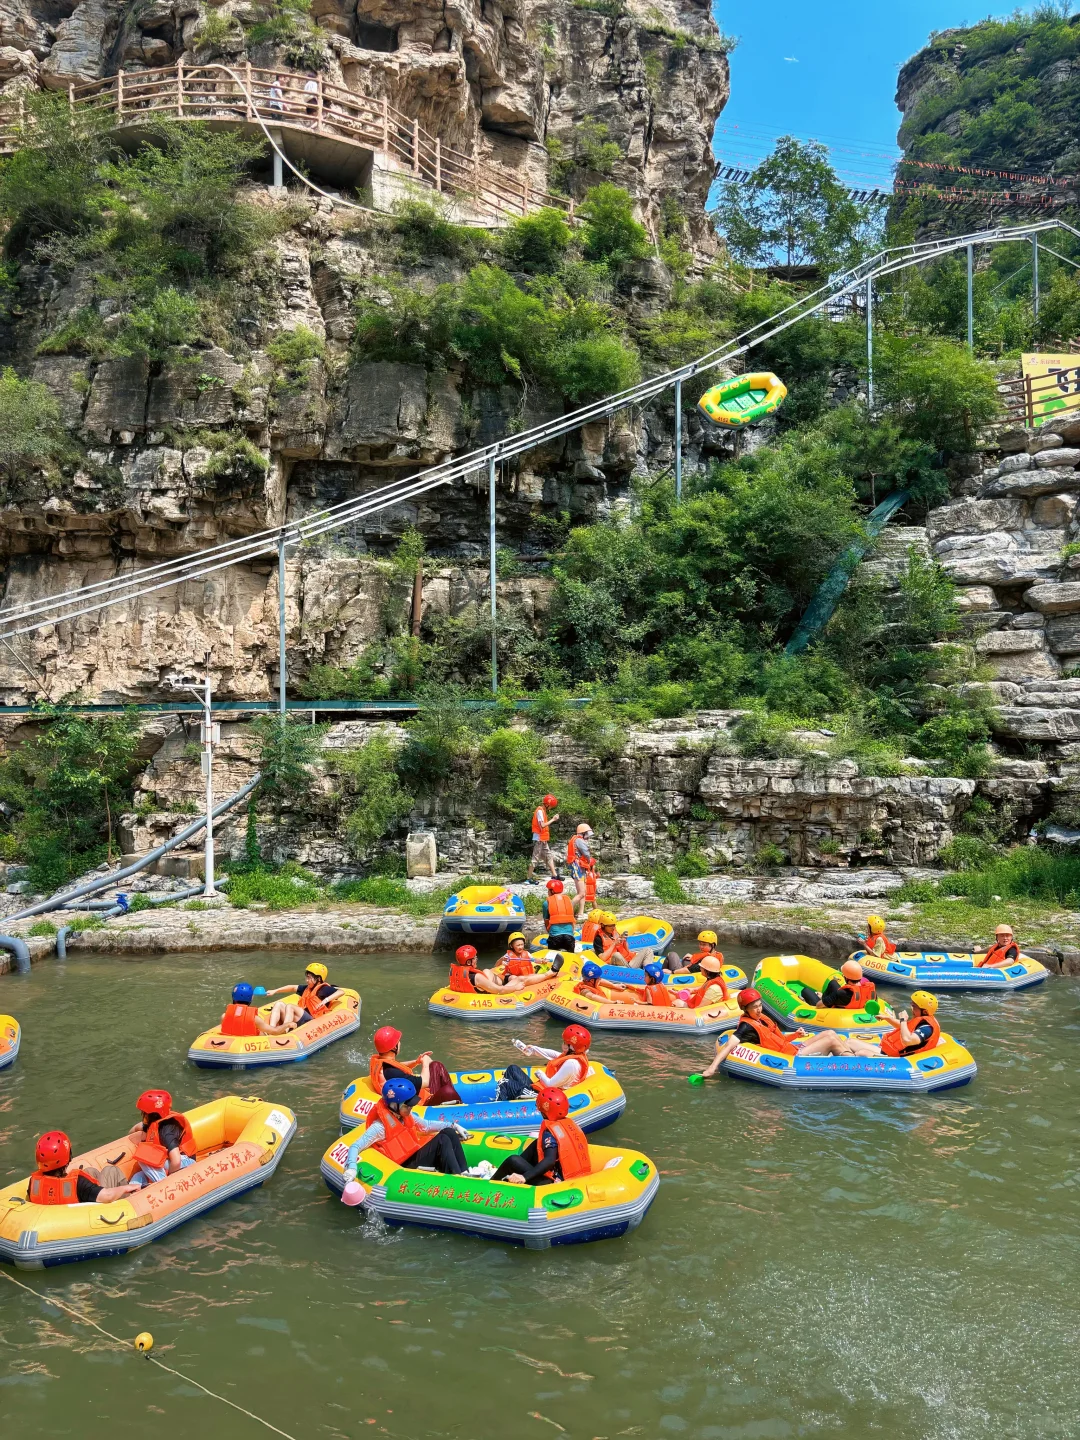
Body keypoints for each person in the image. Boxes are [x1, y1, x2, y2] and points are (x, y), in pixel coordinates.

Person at [700, 989, 881, 1077]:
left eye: (759, 1005)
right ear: (745, 1009)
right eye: (754, 1007)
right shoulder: (746, 1027)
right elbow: (729, 1045)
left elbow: (778, 1038)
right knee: (832, 1040)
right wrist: (712, 1068)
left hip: (792, 1048)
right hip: (792, 1058)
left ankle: (850, 1054)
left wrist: (796, 1035)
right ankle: (857, 1065)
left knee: (830, 1033)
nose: (759, 1009)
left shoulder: (761, 1018)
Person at [342, 1079, 481, 1179]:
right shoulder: (380, 1127)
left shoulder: (404, 1115)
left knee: (448, 1132)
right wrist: (352, 1167)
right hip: (404, 1166)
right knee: (442, 1140)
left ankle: (464, 1171)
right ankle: (457, 1177)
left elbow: (426, 1125)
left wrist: (453, 1125)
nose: (410, 1108)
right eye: (407, 1105)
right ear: (394, 1105)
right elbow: (355, 1146)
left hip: (413, 1154)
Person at [491, 1086, 592, 1186]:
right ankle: (513, 1174)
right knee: (536, 1144)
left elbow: (550, 1161)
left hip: (554, 1183)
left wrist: (524, 1177)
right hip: (574, 1176)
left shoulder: (550, 1132)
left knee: (513, 1160)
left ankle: (490, 1184)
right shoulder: (569, 1125)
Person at [27, 1131, 139, 1205]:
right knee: (111, 1171)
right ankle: (132, 1198)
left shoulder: (34, 1183)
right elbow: (108, 1196)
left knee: (90, 1171)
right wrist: (127, 1187)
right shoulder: (78, 1184)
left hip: (65, 1216)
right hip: (96, 1213)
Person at [128, 1090, 197, 1188]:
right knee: (138, 1176)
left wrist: (169, 1177)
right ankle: (133, 1192)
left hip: (185, 1162)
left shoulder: (167, 1130)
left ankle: (164, 1185)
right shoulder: (154, 1123)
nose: (143, 1115)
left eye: (144, 1113)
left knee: (144, 1157)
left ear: (151, 1114)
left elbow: (176, 1161)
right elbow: (136, 1128)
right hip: (169, 1161)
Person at [511, 1023, 592, 1090]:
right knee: (512, 1069)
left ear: (570, 1046)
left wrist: (539, 1073)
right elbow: (553, 1054)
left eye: (564, 1042)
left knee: (507, 1084)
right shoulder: (576, 1056)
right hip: (544, 1090)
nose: (563, 1044)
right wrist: (533, 1049)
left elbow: (550, 1084)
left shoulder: (571, 1064)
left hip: (544, 1094)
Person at [265, 963, 341, 1030]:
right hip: (301, 1017)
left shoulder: (324, 989)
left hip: (312, 1020)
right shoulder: (307, 989)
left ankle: (285, 1030)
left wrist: (325, 1000)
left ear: (318, 978)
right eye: (307, 977)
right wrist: (275, 991)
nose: (307, 980)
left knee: (290, 1006)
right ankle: (272, 1029)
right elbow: (292, 987)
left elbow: (341, 992)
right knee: (279, 1004)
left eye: (309, 978)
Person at [447, 942, 528, 995]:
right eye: (474, 958)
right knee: (519, 979)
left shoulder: (455, 972)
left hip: (475, 991)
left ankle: (505, 979)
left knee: (486, 971)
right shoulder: (477, 977)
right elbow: (500, 990)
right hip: (489, 994)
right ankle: (507, 980)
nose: (476, 959)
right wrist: (515, 987)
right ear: (468, 962)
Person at [879, 991, 941, 1057]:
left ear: (924, 1012)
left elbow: (908, 1040)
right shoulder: (921, 1020)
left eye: (914, 1006)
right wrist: (887, 1018)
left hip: (899, 1057)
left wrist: (903, 1020)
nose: (911, 1009)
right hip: (889, 1052)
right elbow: (904, 1027)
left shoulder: (927, 1028)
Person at [527, 793, 560, 883]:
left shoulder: (543, 811)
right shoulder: (540, 811)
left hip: (543, 839)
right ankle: (528, 879)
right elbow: (542, 825)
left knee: (549, 856)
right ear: (547, 804)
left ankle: (554, 875)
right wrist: (553, 819)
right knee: (535, 858)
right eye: (551, 806)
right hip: (539, 839)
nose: (551, 808)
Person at [567, 823, 596, 921]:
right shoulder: (579, 840)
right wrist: (589, 860)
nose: (588, 837)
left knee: (582, 892)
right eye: (587, 834)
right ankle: (566, 910)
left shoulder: (576, 839)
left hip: (579, 868)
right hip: (578, 868)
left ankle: (580, 913)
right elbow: (586, 853)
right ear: (583, 833)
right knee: (581, 894)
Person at [543, 878, 577, 956]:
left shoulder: (546, 903)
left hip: (555, 937)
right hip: (569, 937)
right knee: (570, 957)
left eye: (548, 890)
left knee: (553, 957)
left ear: (552, 891)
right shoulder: (568, 901)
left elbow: (546, 921)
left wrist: (549, 932)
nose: (548, 892)